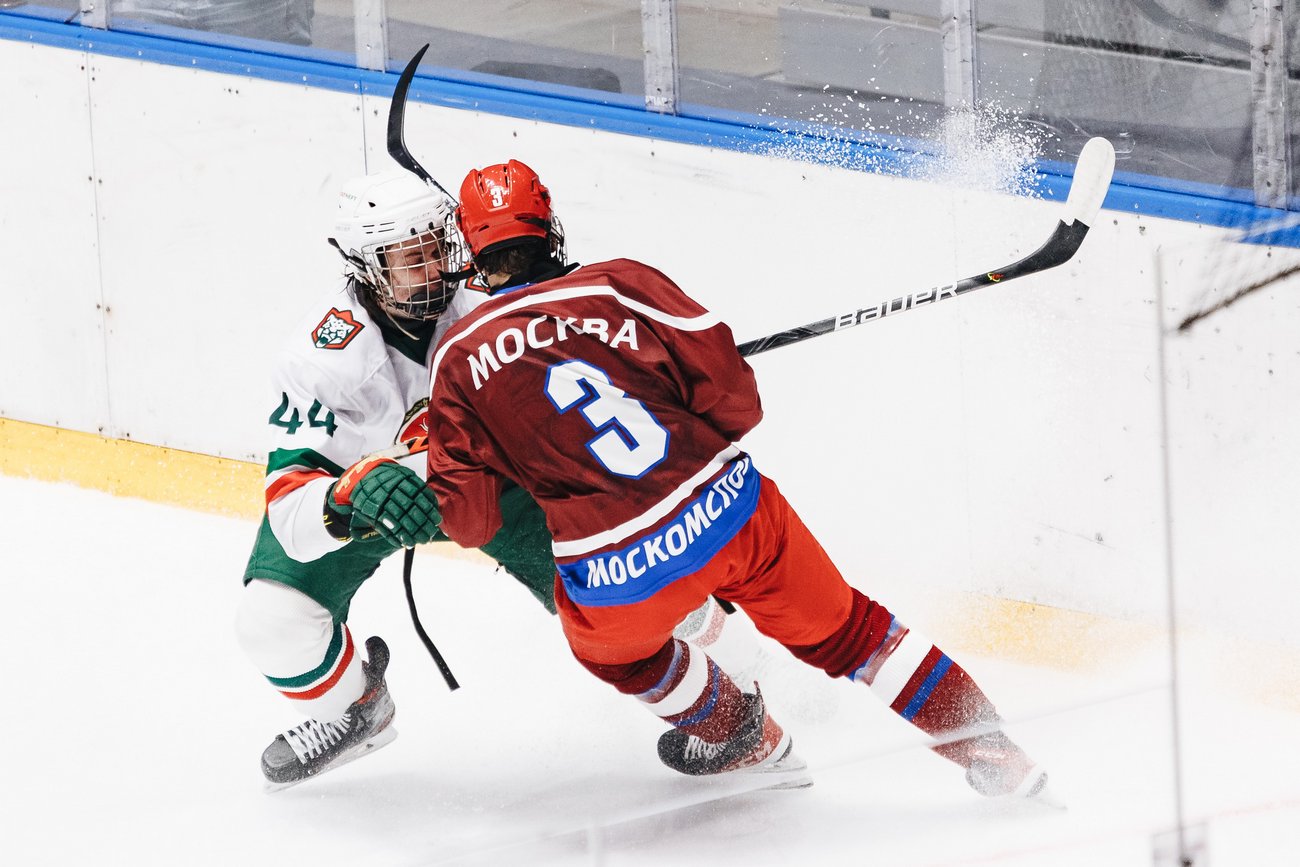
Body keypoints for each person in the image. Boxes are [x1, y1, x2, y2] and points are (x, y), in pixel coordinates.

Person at [424, 159, 1049, 797]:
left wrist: (496, 449)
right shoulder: (623, 285)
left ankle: (744, 737)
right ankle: (997, 753)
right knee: (852, 632)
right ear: (548, 225)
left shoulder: (455, 360)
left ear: (473, 253)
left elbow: (471, 522)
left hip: (617, 574)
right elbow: (736, 401)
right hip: (732, 514)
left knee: (619, 657)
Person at [234, 167, 790, 791]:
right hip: (373, 503)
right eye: (408, 259)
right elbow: (290, 511)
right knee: (271, 621)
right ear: (365, 266)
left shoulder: (492, 295)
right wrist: (350, 493)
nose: (432, 269)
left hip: (500, 486)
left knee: (635, 585)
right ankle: (357, 711)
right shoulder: (321, 359)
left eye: (435, 247)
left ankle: (748, 685)